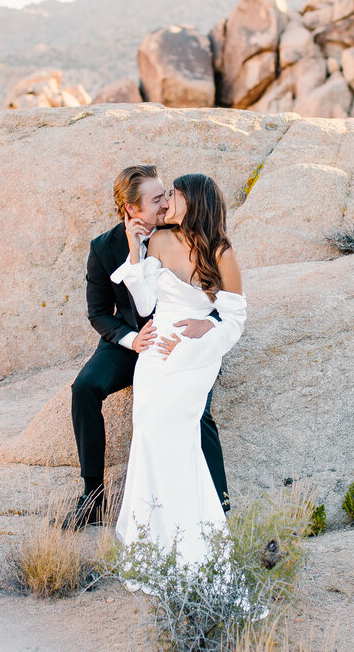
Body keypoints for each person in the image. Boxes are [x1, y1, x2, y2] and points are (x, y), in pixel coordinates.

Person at [64, 165, 229, 530]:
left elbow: (217, 298)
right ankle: (92, 497)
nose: (165, 204)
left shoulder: (184, 232)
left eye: (166, 196)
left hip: (180, 338)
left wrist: (210, 329)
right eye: (156, 200)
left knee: (196, 411)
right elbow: (97, 313)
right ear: (130, 209)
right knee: (84, 388)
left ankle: (219, 505)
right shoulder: (104, 248)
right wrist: (131, 339)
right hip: (129, 340)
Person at [111, 173, 247, 574]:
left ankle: (196, 542)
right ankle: (150, 543)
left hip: (195, 353)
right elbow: (145, 303)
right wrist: (135, 250)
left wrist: (206, 330)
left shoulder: (221, 252)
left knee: (180, 437)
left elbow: (236, 317)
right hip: (155, 352)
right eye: (166, 193)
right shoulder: (159, 240)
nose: (167, 200)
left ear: (195, 202)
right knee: (150, 435)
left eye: (174, 194)